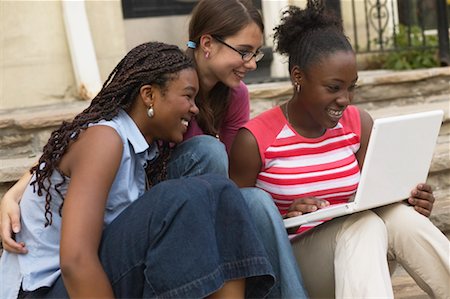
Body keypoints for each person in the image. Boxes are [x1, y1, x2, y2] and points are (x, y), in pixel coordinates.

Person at [1, 1, 308, 298]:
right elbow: (75, 261)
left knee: (225, 192)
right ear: (148, 95)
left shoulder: (140, 150)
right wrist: (14, 192)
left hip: (102, 268)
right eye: (188, 97)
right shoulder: (106, 139)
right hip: (46, 289)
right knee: (191, 189)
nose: (194, 109)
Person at [229, 1, 450, 298]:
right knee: (362, 225)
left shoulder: (358, 124)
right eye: (333, 88)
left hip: (362, 260)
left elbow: (376, 198)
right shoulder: (254, 139)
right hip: (294, 269)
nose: (345, 99)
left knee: (400, 219)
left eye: (351, 87)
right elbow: (236, 231)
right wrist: (286, 221)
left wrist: (412, 201)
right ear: (298, 77)